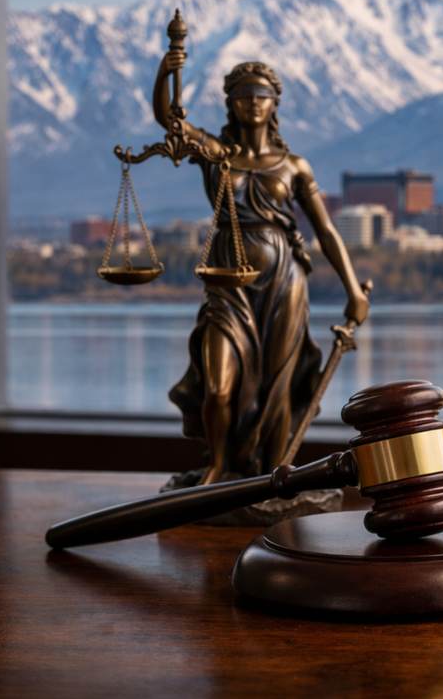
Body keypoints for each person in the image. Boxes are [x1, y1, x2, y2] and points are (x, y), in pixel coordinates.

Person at [152, 49, 369, 485]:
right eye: (243, 94)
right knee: (218, 384)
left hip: (284, 283)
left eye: (262, 94)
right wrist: (166, 71)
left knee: (278, 385)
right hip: (228, 285)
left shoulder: (293, 166)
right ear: (230, 102)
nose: (253, 102)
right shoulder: (216, 154)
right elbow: (170, 122)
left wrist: (353, 290)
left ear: (275, 104)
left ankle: (272, 477)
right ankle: (217, 464)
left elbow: (326, 231)